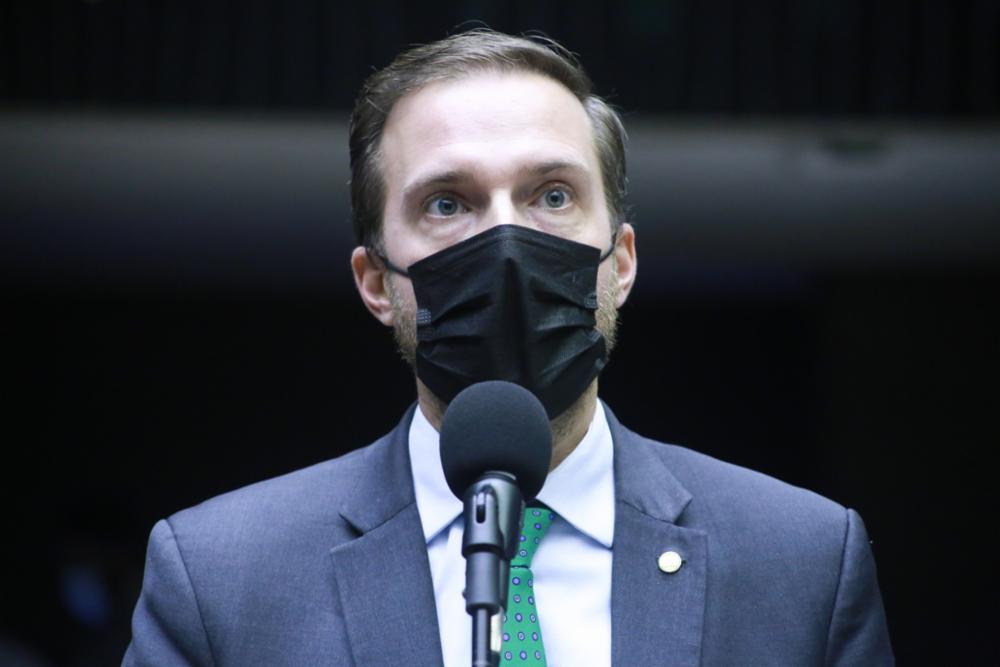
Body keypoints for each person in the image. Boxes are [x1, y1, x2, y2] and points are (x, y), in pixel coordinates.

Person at [123, 30, 893, 666]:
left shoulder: (802, 560)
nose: (506, 244)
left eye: (552, 195)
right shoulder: (223, 576)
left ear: (621, 261)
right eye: (447, 203)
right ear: (376, 282)